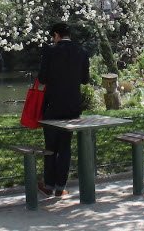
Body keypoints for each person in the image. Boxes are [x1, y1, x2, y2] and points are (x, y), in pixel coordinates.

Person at [38, 22, 91, 197]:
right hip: (72, 107)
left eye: (53, 37)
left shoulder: (50, 51)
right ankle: (60, 187)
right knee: (65, 147)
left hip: (52, 106)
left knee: (50, 147)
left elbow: (42, 78)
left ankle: (49, 185)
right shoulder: (81, 52)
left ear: (56, 35)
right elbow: (84, 79)